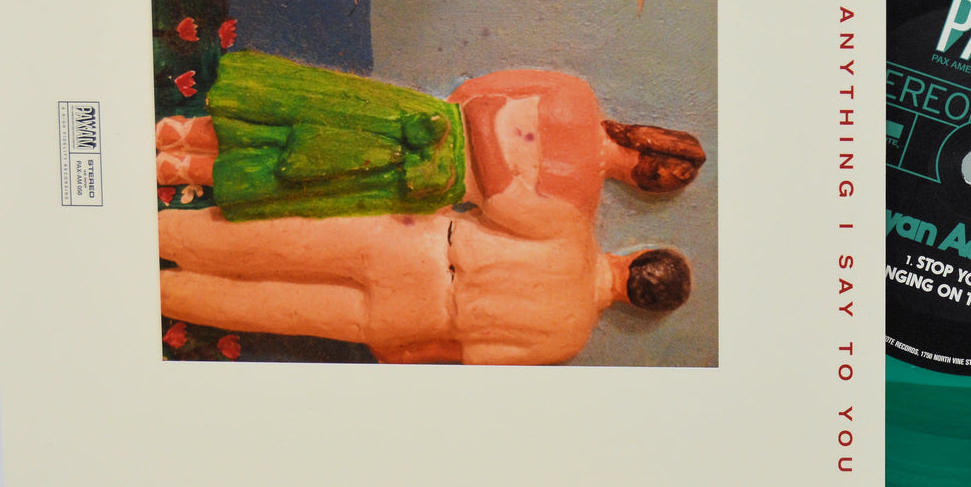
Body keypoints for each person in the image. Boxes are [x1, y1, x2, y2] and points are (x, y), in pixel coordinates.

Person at [154, 52, 706, 222]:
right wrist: (489, 151)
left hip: (425, 174)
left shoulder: (578, 196)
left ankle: (183, 161)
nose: (645, 167)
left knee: (303, 174)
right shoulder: (575, 98)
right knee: (303, 111)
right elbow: (477, 92)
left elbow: (504, 207)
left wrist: (485, 130)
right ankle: (184, 139)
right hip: (420, 123)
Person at [158, 204, 691, 365]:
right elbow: (464, 353)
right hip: (417, 317)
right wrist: (405, 353)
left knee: (276, 243)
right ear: (638, 305)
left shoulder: (571, 228)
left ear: (637, 256)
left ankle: (162, 236)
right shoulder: (568, 338)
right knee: (266, 308)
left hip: (416, 247)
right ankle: (161, 293)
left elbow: (492, 200)